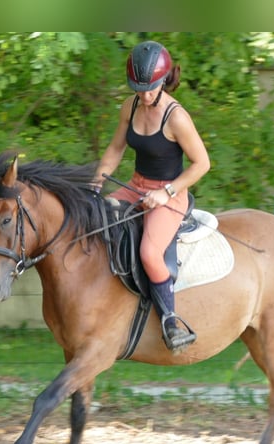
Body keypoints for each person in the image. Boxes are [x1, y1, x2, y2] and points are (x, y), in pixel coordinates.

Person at [94, 40, 210, 351]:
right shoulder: (130, 106)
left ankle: (170, 321)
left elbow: (203, 164)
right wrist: (96, 182)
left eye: (150, 88)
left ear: (163, 81)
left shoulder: (177, 117)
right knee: (95, 218)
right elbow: (116, 148)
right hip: (134, 186)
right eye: (138, 88)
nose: (144, 95)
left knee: (149, 253)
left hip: (171, 193)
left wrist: (166, 192)